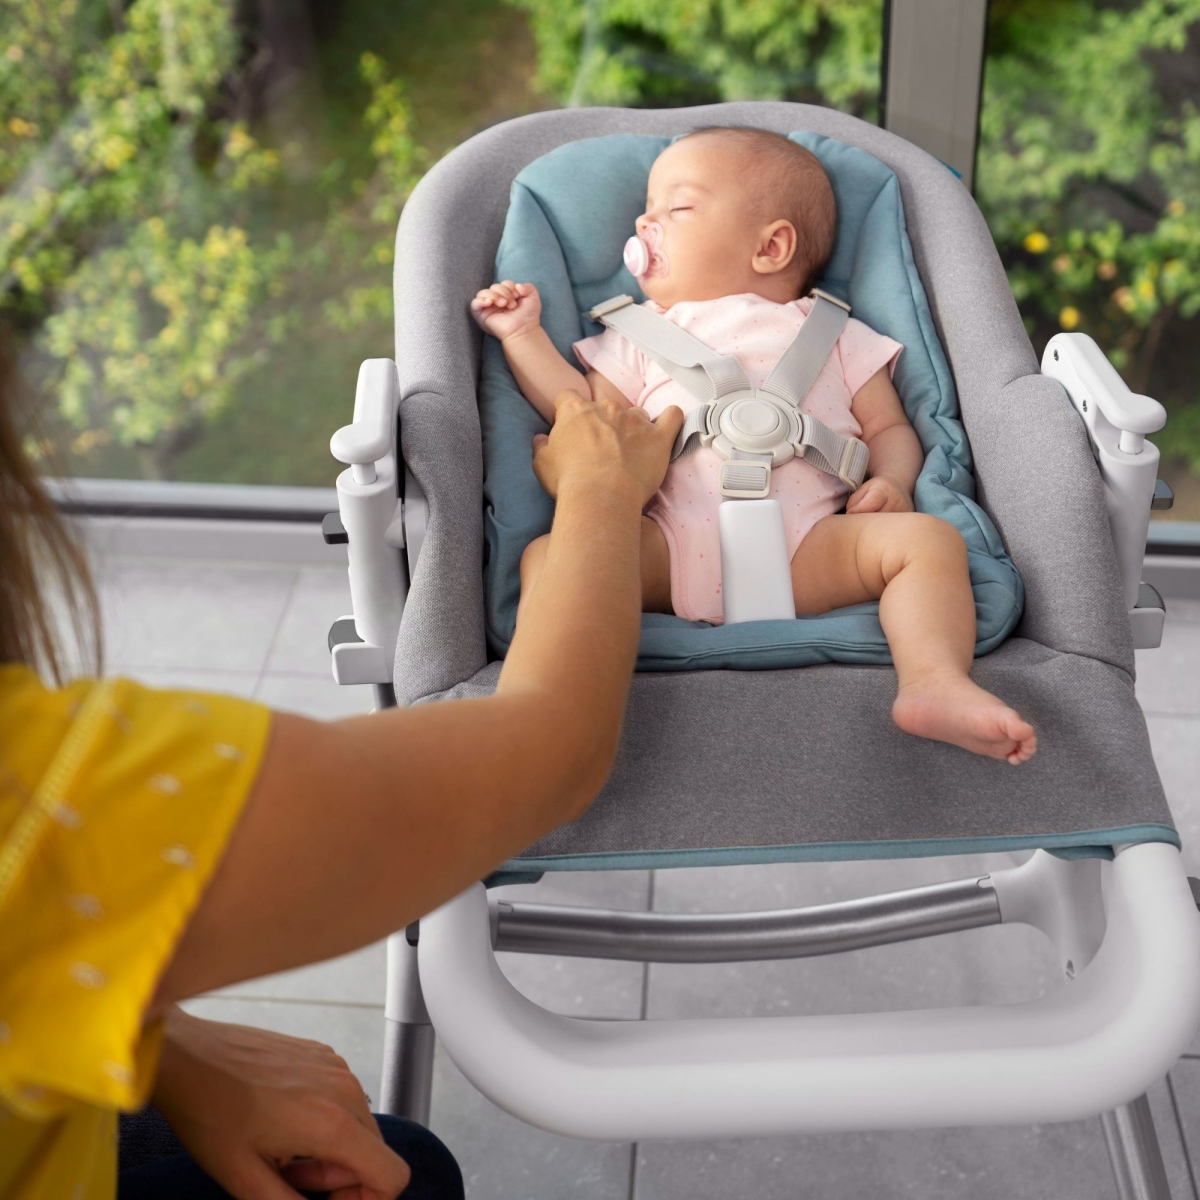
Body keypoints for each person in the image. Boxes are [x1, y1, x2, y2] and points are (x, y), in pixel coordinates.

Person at [0, 330, 685, 1200]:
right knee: (406, 1174)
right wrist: (602, 489)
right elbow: (556, 751)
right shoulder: (52, 795)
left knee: (401, 1157)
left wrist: (167, 1051)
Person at [470, 125, 1038, 766]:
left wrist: (893, 481)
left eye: (677, 208)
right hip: (667, 548)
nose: (644, 224)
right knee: (550, 557)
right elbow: (581, 415)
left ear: (771, 247)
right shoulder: (635, 333)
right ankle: (550, 697)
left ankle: (933, 680)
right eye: (646, 211)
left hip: (809, 548)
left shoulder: (837, 332)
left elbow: (890, 429)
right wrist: (521, 336)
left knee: (928, 543)